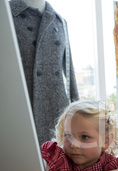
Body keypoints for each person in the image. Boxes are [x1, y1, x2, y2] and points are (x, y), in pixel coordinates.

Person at [10, 0, 79, 145]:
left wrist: (77, 103)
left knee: (56, 155)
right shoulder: (7, 15)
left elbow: (68, 66)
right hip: (19, 98)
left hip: (55, 100)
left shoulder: (60, 21)